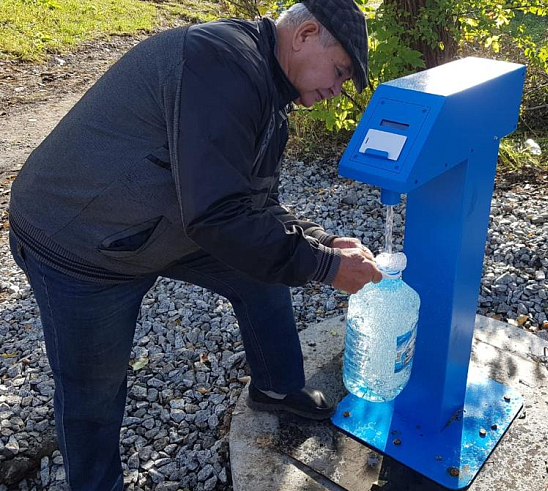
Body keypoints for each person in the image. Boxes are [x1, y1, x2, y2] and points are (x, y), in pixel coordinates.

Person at [7, 0, 381, 489]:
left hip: (169, 224)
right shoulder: (219, 63)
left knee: (258, 269)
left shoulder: (269, 97)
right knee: (93, 391)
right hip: (81, 244)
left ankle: (275, 385)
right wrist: (325, 268)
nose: (335, 90)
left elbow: (251, 206)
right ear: (305, 34)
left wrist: (322, 243)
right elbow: (218, 216)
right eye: (338, 72)